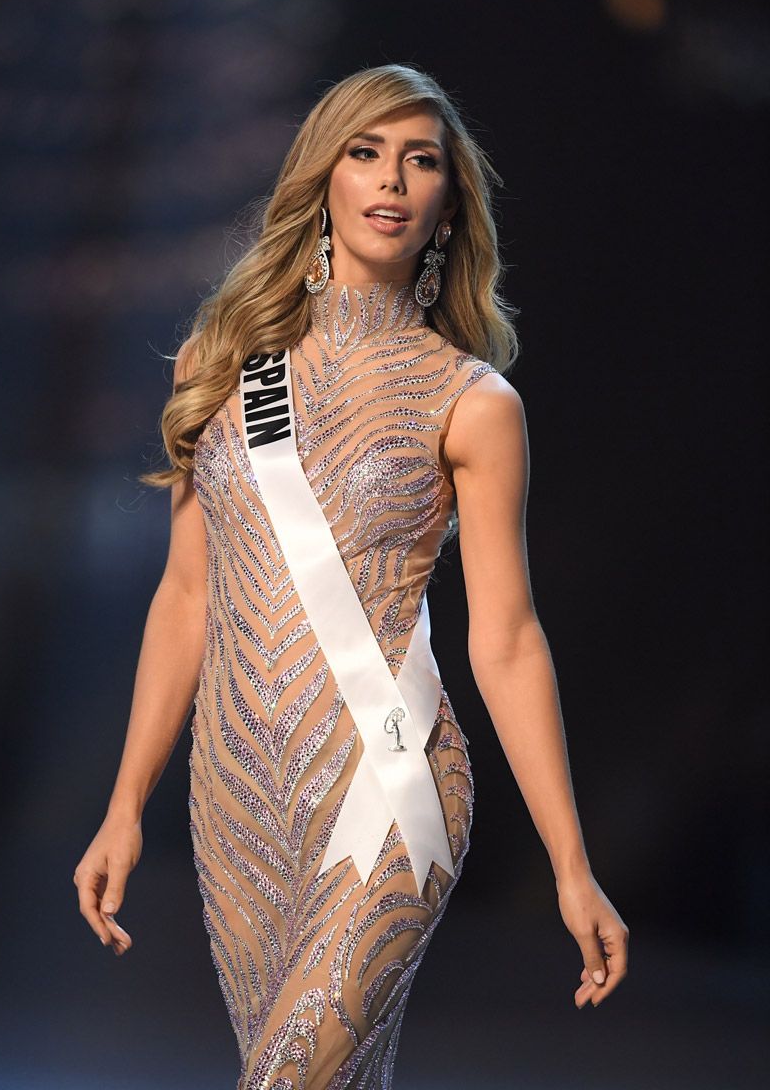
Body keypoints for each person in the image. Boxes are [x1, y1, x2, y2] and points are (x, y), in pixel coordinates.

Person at [73, 63, 629, 1086]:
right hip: (233, 797)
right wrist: (123, 805)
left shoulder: (473, 403)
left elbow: (506, 638)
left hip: (389, 783)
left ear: (448, 204)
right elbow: (186, 598)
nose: (391, 179)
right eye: (365, 152)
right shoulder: (218, 363)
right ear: (322, 177)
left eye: (421, 161)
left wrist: (570, 865)